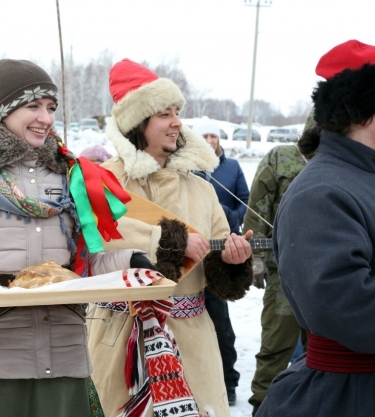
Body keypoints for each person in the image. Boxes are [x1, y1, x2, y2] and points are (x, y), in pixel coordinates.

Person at [0, 59, 148, 417]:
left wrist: (128, 261)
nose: (46, 118)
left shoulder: (70, 174)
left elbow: (84, 264)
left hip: (66, 353)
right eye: (33, 106)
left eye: (51, 107)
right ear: (3, 111)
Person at [87, 58, 254, 417]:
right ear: (136, 123)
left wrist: (231, 261)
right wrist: (168, 243)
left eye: (176, 112)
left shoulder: (201, 189)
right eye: (164, 113)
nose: (177, 122)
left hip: (192, 337)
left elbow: (215, 256)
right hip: (120, 338)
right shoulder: (101, 180)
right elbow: (93, 242)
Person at [257, 39, 375, 417]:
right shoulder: (321, 192)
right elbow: (344, 302)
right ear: (362, 115)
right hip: (348, 397)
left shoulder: (369, 178)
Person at [244, 120, 310, 416]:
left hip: (334, 275)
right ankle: (263, 405)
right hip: (285, 273)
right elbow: (258, 206)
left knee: (326, 350)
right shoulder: (282, 158)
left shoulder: (352, 163)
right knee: (276, 344)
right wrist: (255, 256)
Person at [192, 119, 250, 406]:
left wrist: (230, 216)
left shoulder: (232, 167)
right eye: (205, 136)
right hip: (186, 265)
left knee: (221, 329)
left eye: (214, 135)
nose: (210, 140)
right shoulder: (186, 171)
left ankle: (229, 383)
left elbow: (244, 199)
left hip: (220, 250)